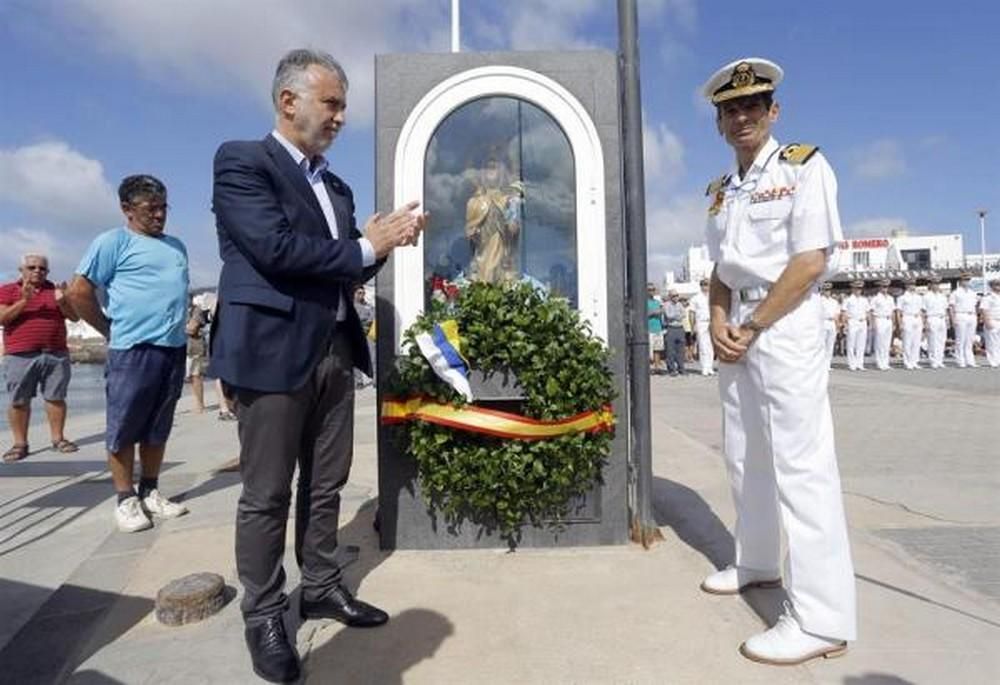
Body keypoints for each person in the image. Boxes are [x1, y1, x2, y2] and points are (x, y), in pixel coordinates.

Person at [210, 49, 426, 683]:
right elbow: (274, 250)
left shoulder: (336, 185)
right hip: (272, 354)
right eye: (332, 103)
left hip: (334, 352)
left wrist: (385, 242)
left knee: (326, 484)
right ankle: (265, 613)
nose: (341, 116)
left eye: (342, 106)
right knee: (267, 493)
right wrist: (363, 243)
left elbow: (346, 265)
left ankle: (323, 586)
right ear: (289, 102)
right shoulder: (242, 162)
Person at [700, 57, 855, 664]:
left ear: (773, 112)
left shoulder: (804, 168)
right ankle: (757, 561)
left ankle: (821, 619)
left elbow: (811, 260)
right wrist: (718, 321)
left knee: (802, 465)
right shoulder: (720, 192)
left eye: (753, 106)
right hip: (736, 324)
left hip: (783, 324)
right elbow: (719, 270)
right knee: (744, 454)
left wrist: (753, 324)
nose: (743, 117)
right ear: (719, 122)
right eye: (731, 109)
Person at [66, 175, 190, 532]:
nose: (160, 215)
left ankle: (150, 490)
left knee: (157, 426)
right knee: (124, 426)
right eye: (151, 209)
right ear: (127, 209)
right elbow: (79, 292)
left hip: (172, 349)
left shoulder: (176, 246)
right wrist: (107, 329)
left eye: (164, 207)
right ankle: (125, 498)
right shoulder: (112, 242)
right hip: (132, 350)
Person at [1, 254, 80, 463]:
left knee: (56, 398)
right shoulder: (8, 290)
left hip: (55, 353)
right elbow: (3, 318)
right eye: (32, 267)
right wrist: (24, 300)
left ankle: (58, 439)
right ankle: (20, 444)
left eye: (42, 269)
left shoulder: (56, 290)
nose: (37, 271)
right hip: (20, 354)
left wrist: (63, 301)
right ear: (22, 269)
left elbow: (74, 317)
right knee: (19, 400)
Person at [465, 151, 524, 284]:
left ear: (503, 171)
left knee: (503, 275)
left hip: (502, 253)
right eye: (486, 167)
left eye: (494, 167)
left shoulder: (509, 198)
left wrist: (512, 224)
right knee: (482, 275)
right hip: (482, 253)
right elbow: (470, 231)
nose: (490, 171)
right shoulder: (474, 201)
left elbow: (514, 228)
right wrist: (474, 232)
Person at [185, 295, 211, 412]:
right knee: (191, 376)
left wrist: (179, 327)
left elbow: (192, 329)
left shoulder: (196, 310)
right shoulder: (184, 311)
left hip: (195, 347)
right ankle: (198, 404)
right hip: (186, 347)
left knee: (196, 376)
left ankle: (200, 405)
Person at [949, 272, 978, 367]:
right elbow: (951, 307)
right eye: (965, 280)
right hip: (960, 315)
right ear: (960, 281)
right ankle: (960, 360)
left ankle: (970, 360)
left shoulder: (972, 293)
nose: (967, 282)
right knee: (960, 339)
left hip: (971, 315)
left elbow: (976, 305)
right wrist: (953, 319)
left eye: (968, 280)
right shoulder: (955, 293)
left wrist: (976, 316)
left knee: (970, 339)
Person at [895, 278, 924, 370]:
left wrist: (922, 321)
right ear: (906, 286)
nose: (912, 286)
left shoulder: (919, 297)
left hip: (917, 318)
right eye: (910, 284)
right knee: (907, 341)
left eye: (913, 284)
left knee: (916, 341)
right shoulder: (902, 298)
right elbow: (898, 312)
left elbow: (921, 310)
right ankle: (907, 361)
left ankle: (914, 361)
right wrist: (899, 324)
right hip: (907, 317)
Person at [842, 281, 870, 371]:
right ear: (852, 289)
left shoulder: (864, 300)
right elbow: (844, 312)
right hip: (852, 321)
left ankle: (860, 363)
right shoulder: (848, 299)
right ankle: (852, 364)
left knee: (861, 344)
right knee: (851, 344)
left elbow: (867, 311)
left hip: (862, 322)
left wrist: (868, 321)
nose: (859, 290)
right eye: (857, 288)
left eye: (860, 288)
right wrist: (845, 324)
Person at [690, 278, 715, 375]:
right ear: (701, 286)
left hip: (712, 322)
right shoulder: (695, 298)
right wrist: (693, 326)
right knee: (703, 345)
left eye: (708, 284)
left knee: (711, 345)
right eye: (704, 284)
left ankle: (710, 367)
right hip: (701, 322)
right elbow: (692, 313)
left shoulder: (713, 297)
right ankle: (704, 367)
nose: (706, 286)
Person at [922, 275, 948, 368]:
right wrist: (925, 323)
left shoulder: (942, 296)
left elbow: (945, 309)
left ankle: (940, 360)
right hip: (932, 318)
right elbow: (923, 311)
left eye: (937, 284)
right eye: (934, 284)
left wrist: (946, 321)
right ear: (930, 285)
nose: (936, 286)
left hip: (941, 318)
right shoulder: (926, 296)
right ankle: (933, 360)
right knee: (932, 340)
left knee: (942, 340)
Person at [870, 278, 894, 370]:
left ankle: (886, 362)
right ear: (880, 287)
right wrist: (874, 324)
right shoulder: (875, 298)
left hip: (888, 320)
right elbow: (872, 311)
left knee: (887, 343)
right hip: (880, 319)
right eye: (883, 286)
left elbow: (892, 311)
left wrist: (893, 323)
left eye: (887, 286)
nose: (885, 288)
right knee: (879, 342)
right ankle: (879, 362)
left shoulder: (890, 298)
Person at [352, 285, 374, 388]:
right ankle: (358, 381)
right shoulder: (351, 306)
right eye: (359, 293)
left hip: (369, 334)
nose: (361, 295)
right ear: (354, 294)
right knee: (357, 359)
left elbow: (373, 317)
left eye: (363, 293)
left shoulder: (368, 306)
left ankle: (375, 380)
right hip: (357, 334)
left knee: (373, 356)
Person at [661, 289, 687, 376]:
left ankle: (681, 368)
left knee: (681, 350)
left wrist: (676, 315)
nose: (676, 297)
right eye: (674, 296)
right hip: (671, 328)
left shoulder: (680, 304)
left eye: (677, 295)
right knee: (670, 350)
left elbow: (684, 314)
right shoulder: (666, 305)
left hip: (680, 328)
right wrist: (677, 315)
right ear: (670, 297)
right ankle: (671, 369)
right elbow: (669, 316)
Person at [819, 282, 841, 369]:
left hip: (832, 323)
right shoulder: (819, 300)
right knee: (822, 345)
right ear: (823, 291)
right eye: (826, 290)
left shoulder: (834, 301)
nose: (828, 292)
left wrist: (837, 325)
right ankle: (821, 365)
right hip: (823, 322)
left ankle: (827, 364)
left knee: (830, 345)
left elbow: (837, 314)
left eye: (829, 290)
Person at [980, 278, 1000, 367]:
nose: (998, 286)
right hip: (992, 320)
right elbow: (984, 310)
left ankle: (998, 359)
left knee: (998, 342)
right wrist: (987, 321)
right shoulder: (988, 297)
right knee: (991, 342)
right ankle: (993, 361)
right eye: (996, 284)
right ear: (991, 286)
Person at [646, 284, 666, 374]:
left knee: (657, 349)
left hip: (658, 328)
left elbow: (662, 311)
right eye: (649, 289)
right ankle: (649, 368)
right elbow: (646, 314)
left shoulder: (657, 302)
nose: (651, 291)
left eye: (653, 289)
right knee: (649, 350)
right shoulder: (644, 302)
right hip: (649, 329)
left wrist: (658, 311)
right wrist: (655, 312)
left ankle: (657, 367)